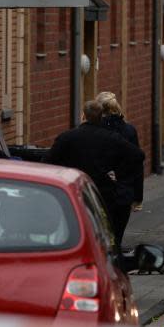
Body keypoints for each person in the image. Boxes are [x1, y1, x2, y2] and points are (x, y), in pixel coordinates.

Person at [45, 100, 145, 249]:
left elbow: (48, 161)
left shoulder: (67, 137)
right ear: (101, 118)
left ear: (83, 116)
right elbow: (138, 156)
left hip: (74, 192)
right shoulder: (112, 138)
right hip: (104, 193)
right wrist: (118, 172)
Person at [96, 91, 144, 248]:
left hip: (99, 192)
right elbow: (137, 164)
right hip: (124, 191)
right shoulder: (129, 131)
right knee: (117, 237)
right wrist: (138, 197)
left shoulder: (94, 131)